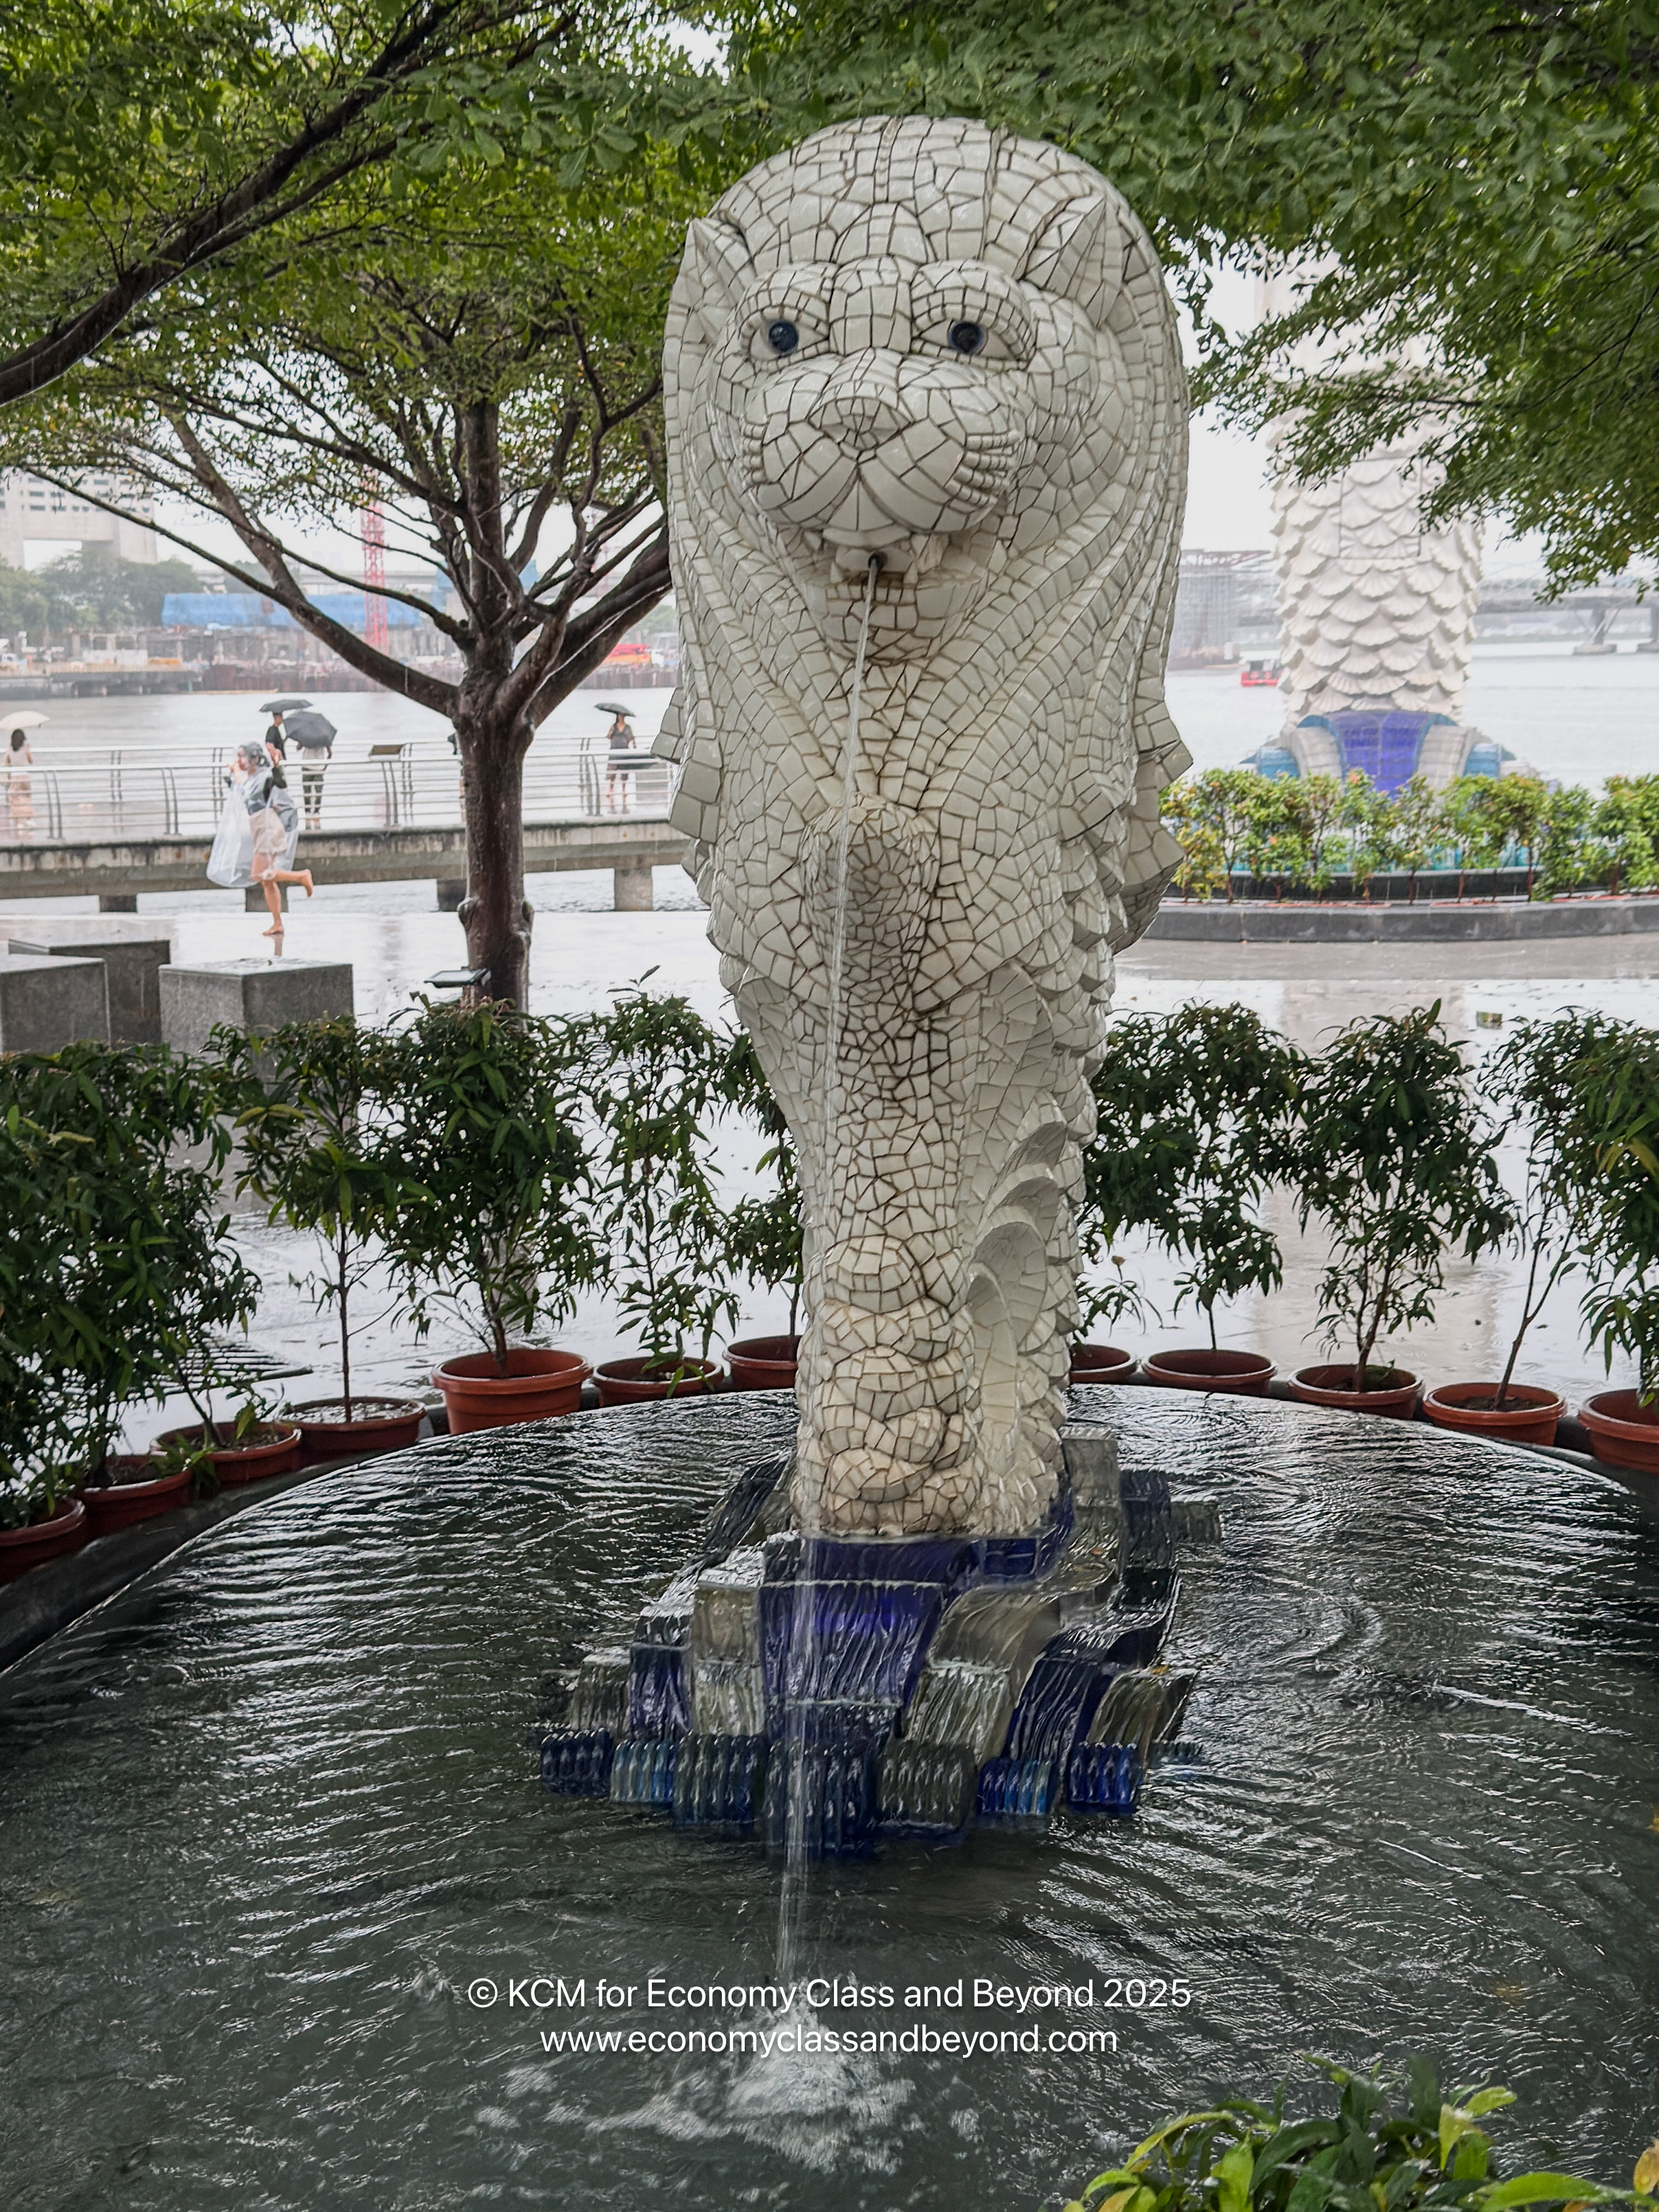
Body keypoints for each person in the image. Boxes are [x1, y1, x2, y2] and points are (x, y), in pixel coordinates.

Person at [234, 740, 313, 935]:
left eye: (242, 757)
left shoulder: (263, 776)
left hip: (267, 826)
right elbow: (247, 795)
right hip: (260, 826)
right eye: (238, 757)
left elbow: (271, 785)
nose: (240, 761)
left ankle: (301, 876)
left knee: (259, 874)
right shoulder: (253, 777)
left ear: (254, 759)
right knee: (267, 880)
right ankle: (277, 922)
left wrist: (275, 763)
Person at [282, 707, 338, 829]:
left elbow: (299, 749)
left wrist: (324, 766)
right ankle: (312, 814)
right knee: (313, 792)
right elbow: (330, 753)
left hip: (310, 766)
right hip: (314, 767)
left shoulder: (309, 737)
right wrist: (325, 765)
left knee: (310, 791)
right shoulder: (322, 737)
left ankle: (311, 814)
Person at [603, 703, 636, 815]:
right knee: (612, 771)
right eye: (619, 715)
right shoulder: (614, 727)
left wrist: (633, 741)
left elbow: (631, 737)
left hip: (624, 751)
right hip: (614, 750)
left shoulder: (628, 728)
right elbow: (608, 736)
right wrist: (611, 733)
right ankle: (611, 789)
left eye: (622, 716)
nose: (620, 717)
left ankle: (624, 789)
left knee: (624, 772)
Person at [5, 728, 33, 838]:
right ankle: (28, 820)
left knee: (15, 799)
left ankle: (20, 822)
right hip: (24, 777)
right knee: (26, 798)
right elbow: (31, 762)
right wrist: (28, 751)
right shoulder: (24, 749)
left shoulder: (10, 750)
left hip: (15, 777)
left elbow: (7, 763)